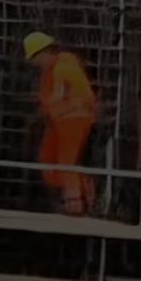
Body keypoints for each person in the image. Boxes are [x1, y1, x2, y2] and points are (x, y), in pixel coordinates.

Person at [24, 31, 97, 216]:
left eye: (35, 58)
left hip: (73, 119)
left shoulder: (64, 67)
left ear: (44, 52)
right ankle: (78, 191)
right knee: (47, 160)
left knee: (67, 162)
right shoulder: (52, 70)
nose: (34, 63)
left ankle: (76, 204)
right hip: (59, 119)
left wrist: (78, 110)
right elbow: (49, 99)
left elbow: (86, 95)